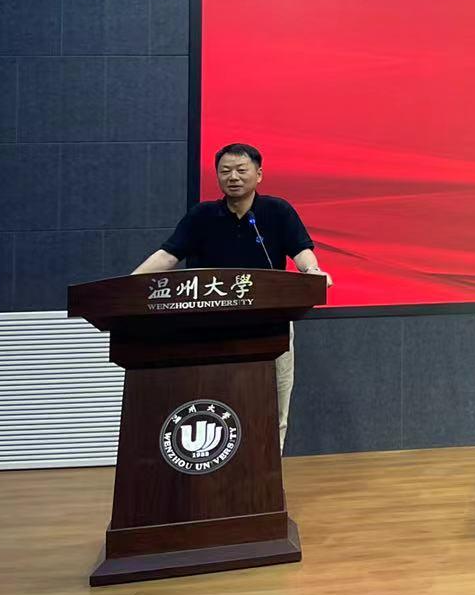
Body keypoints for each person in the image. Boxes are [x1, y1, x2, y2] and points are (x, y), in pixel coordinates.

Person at [134, 143, 329, 450]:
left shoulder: (277, 211)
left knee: (273, 405)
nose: (233, 177)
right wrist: (131, 283)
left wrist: (313, 270)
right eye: (225, 171)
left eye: (241, 170)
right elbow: (169, 255)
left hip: (270, 325)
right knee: (213, 402)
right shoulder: (202, 215)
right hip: (211, 327)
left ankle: (268, 471)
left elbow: (301, 251)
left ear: (259, 174)